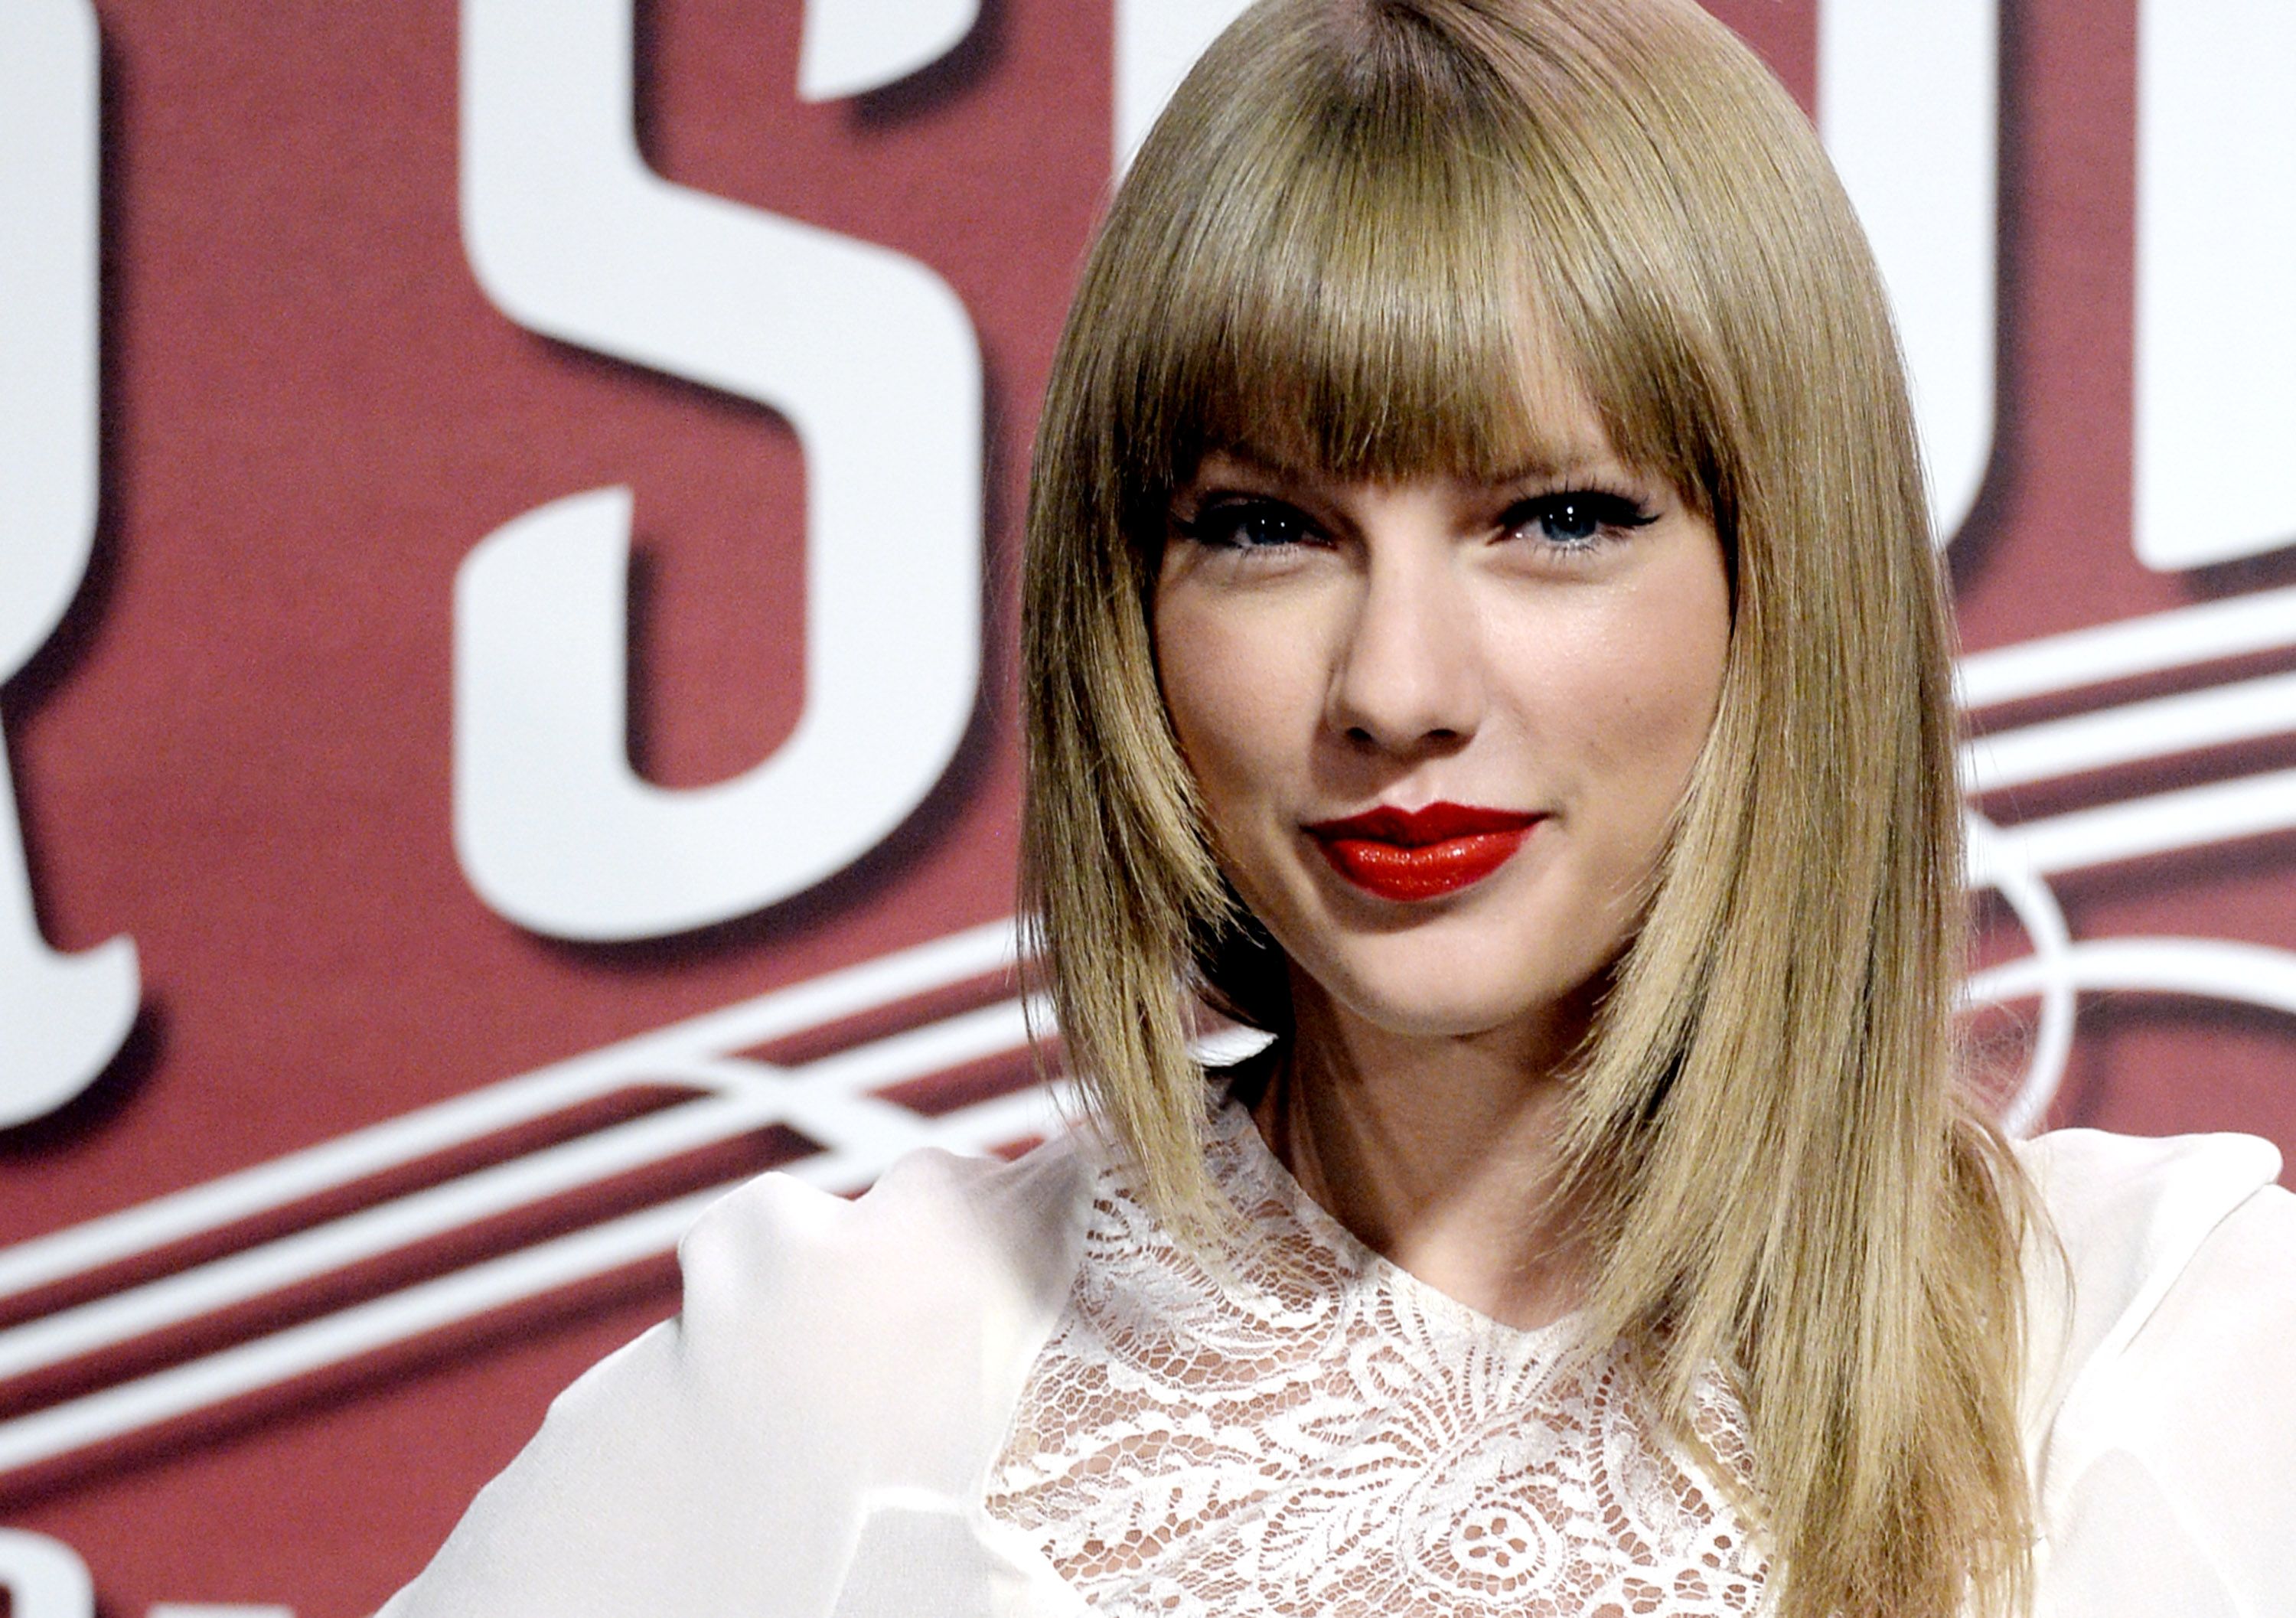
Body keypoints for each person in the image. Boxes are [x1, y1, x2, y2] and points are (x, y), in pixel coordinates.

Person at [377, 2, 2296, 1615]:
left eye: (1557, 519)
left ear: (1789, 585)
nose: (1394, 685)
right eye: (1268, 528)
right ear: (1127, 602)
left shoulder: (2156, 1361)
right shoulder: (855, 1374)